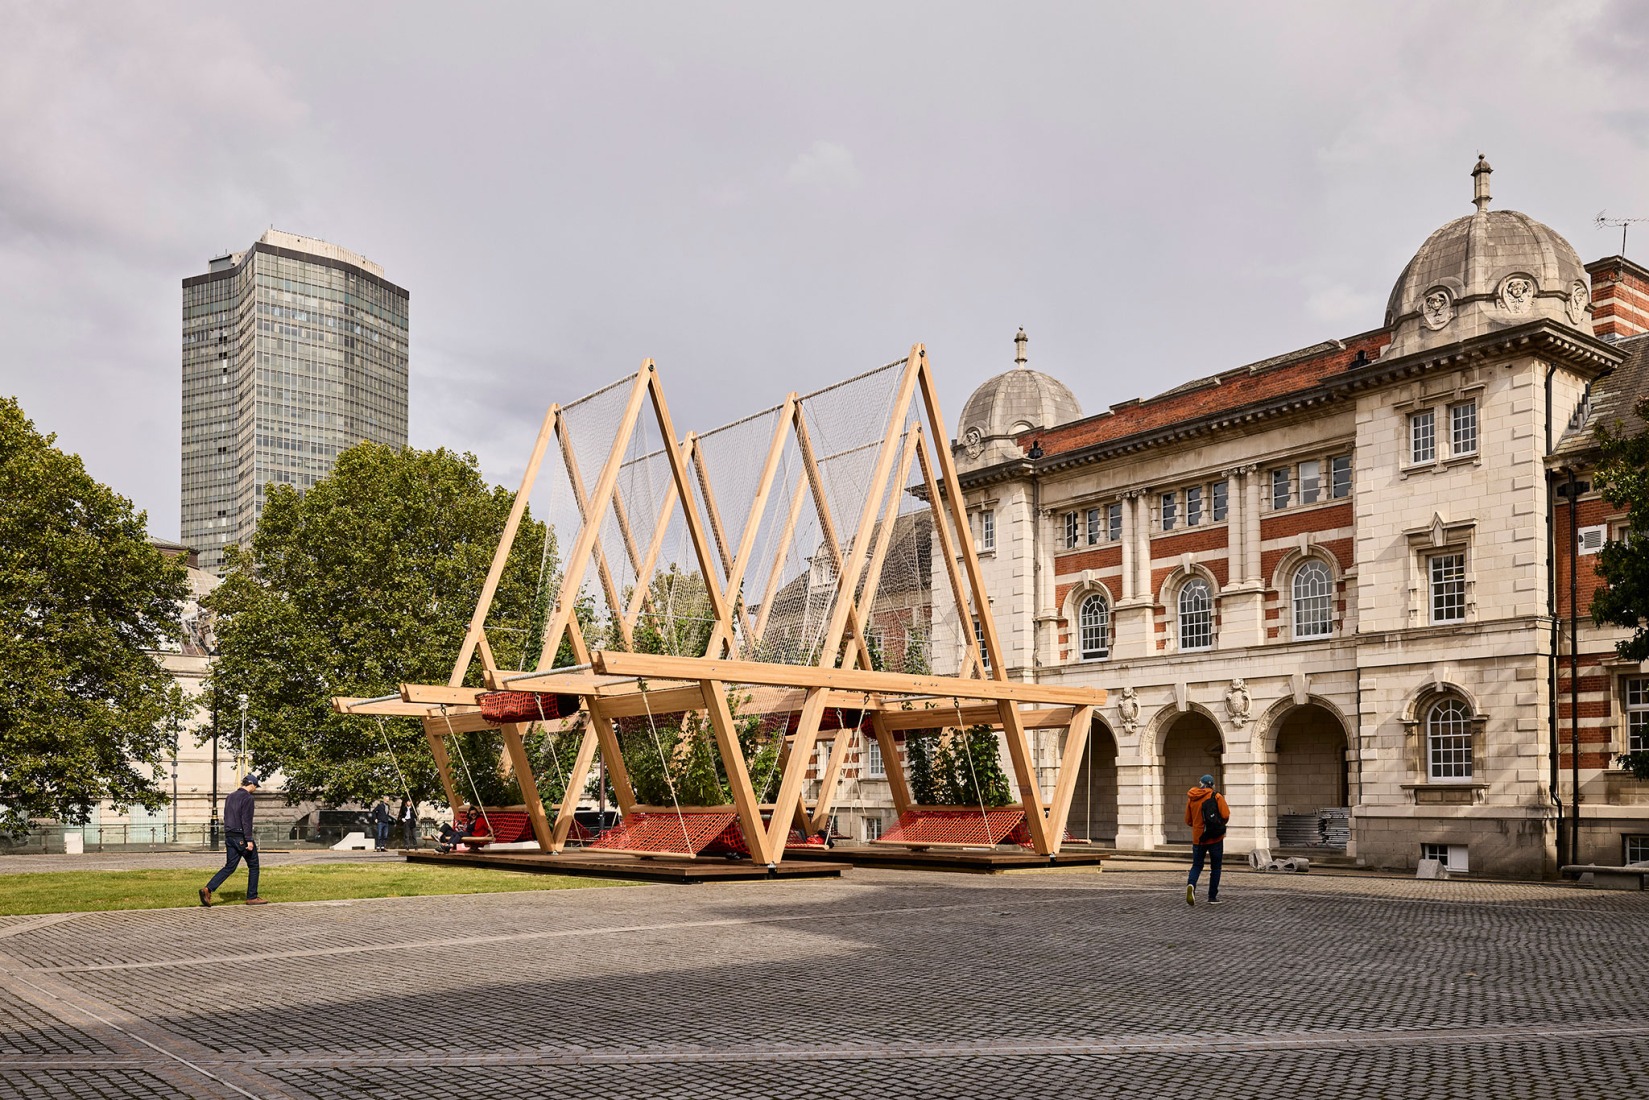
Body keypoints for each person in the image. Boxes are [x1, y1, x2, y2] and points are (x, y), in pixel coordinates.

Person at [200, 774, 267, 907]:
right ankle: (252, 897)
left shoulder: (230, 796)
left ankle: (208, 889)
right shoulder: (248, 798)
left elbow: (227, 816)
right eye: (255, 786)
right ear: (252, 784)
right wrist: (248, 840)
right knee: (254, 866)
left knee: (230, 867)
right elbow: (246, 820)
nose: (255, 789)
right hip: (241, 836)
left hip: (229, 835)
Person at [1185, 774, 1230, 907]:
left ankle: (1191, 885)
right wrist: (1219, 824)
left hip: (1198, 838)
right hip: (1215, 837)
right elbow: (1226, 815)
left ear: (1201, 784)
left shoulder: (1192, 798)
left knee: (1197, 865)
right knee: (1216, 867)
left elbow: (1188, 820)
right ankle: (1212, 896)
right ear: (1212, 785)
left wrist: (1198, 826)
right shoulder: (1216, 796)